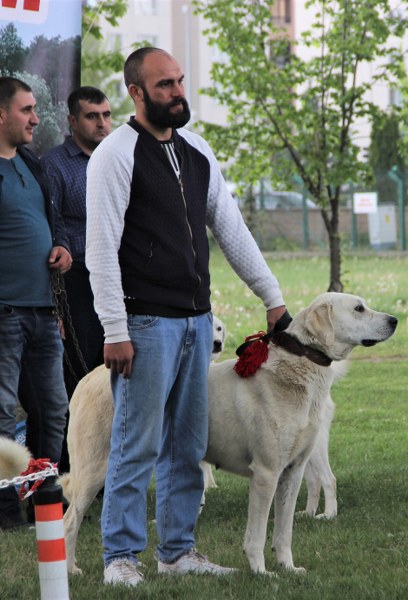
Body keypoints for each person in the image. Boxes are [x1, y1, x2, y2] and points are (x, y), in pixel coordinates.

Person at [85, 47, 287, 587]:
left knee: (187, 446)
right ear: (136, 92)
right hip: (144, 324)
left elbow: (230, 227)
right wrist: (114, 329)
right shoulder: (115, 154)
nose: (178, 92)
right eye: (165, 85)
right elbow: (100, 250)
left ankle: (177, 553)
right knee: (137, 443)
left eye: (179, 81)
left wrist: (271, 294)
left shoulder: (198, 150)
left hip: (199, 322)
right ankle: (120, 559)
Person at [0, 77, 71, 530]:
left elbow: (55, 220)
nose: (35, 117)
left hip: (44, 312)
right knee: (3, 412)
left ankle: (44, 494)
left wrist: (62, 246)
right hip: (4, 312)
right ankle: (4, 505)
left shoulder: (32, 162)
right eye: (26, 109)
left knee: (53, 407)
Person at [41, 86, 112, 473]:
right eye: (91, 116)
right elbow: (55, 226)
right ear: (72, 121)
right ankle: (74, 474)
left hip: (120, 280)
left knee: (115, 376)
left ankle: (108, 474)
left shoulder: (119, 157)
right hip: (78, 281)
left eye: (106, 115)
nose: (101, 123)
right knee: (81, 380)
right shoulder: (54, 164)